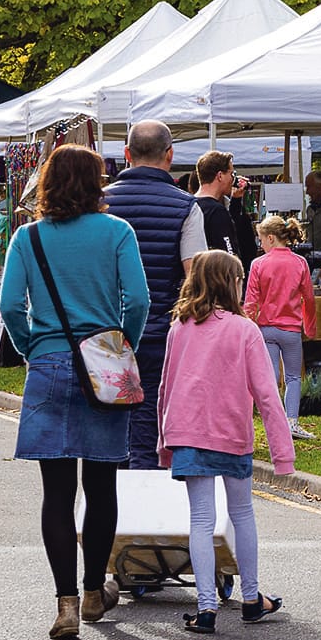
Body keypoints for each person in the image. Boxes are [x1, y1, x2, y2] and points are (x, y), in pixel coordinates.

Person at [0, 145, 150, 639]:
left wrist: (32, 347)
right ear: (96, 184)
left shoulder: (28, 238)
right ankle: (93, 593)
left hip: (47, 362)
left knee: (56, 494)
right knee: (102, 487)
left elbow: (9, 307)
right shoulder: (117, 232)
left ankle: (64, 603)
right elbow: (140, 299)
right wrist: (121, 345)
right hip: (103, 364)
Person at [157, 250, 295, 634]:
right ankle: (251, 599)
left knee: (201, 520)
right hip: (232, 433)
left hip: (187, 432)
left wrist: (164, 442)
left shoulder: (179, 327)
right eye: (238, 279)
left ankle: (205, 609)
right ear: (229, 283)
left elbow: (166, 388)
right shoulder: (244, 329)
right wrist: (282, 454)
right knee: (242, 513)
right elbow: (267, 394)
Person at [104, 120, 207, 469]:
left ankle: (111, 506)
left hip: (106, 334)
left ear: (126, 154)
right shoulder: (187, 207)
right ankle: (142, 498)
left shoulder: (100, 204)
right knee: (149, 420)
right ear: (170, 155)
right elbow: (196, 277)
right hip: (160, 334)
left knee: (111, 422)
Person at [245, 215, 317, 441]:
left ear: (270, 238)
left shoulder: (258, 264)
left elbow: (251, 301)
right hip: (292, 330)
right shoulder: (300, 263)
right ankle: (292, 422)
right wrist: (310, 326)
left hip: (266, 329)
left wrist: (247, 326)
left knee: (270, 377)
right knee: (294, 377)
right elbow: (309, 298)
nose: (260, 245)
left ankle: (273, 423)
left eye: (261, 240)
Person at [195, 150, 248, 256]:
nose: (233, 179)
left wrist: (236, 200)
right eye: (232, 174)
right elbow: (229, 255)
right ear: (220, 176)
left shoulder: (189, 205)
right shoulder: (217, 211)